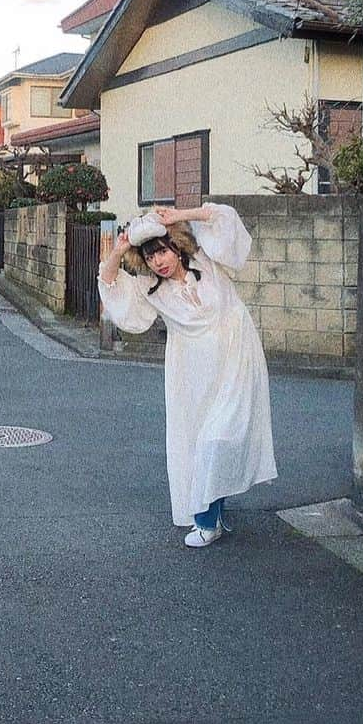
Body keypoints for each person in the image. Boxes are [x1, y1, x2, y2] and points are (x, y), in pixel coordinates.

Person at [98, 203, 276, 548]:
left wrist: (179, 216)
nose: (158, 262)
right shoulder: (152, 289)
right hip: (191, 372)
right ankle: (211, 517)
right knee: (197, 442)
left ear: (176, 247)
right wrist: (120, 250)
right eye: (150, 258)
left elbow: (224, 218)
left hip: (236, 358)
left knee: (220, 437)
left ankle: (209, 521)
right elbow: (108, 282)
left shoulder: (207, 261)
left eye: (162, 251)